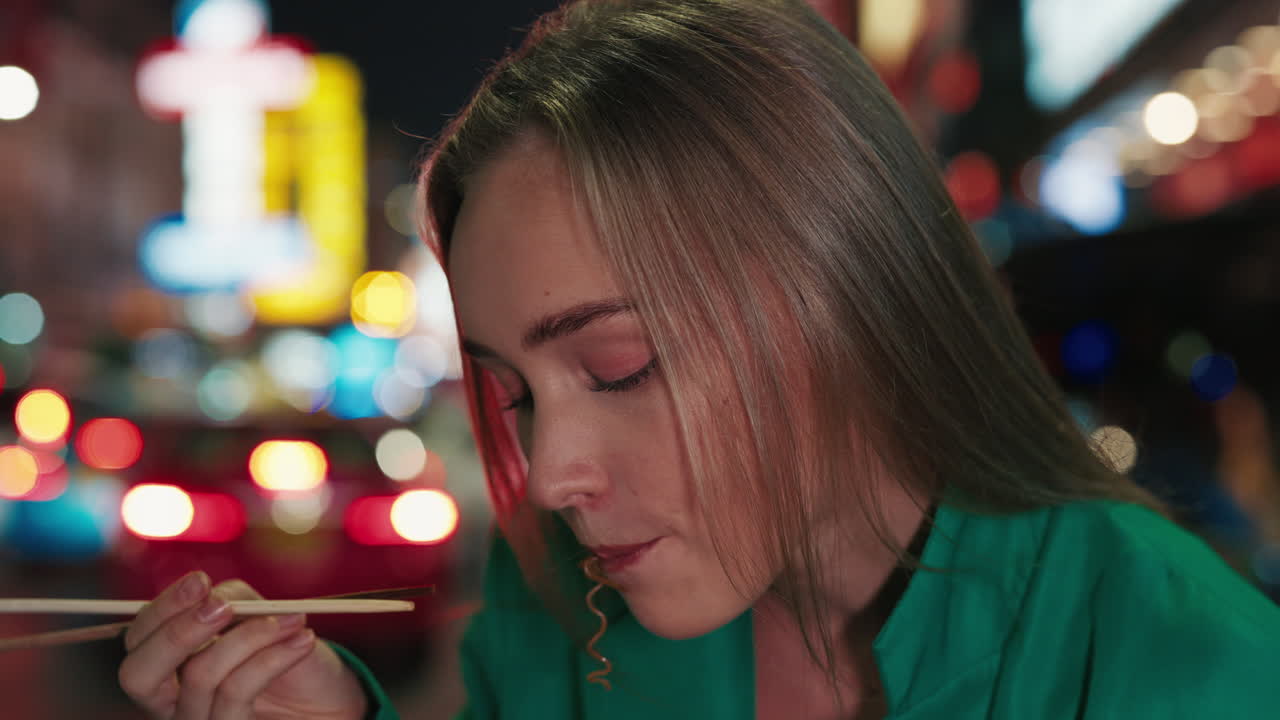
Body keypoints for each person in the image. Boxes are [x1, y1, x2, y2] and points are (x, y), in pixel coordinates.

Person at [118, 0, 1280, 718]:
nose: (554, 472)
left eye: (618, 366)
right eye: (511, 391)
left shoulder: (1176, 665)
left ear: (845, 298)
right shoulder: (554, 611)